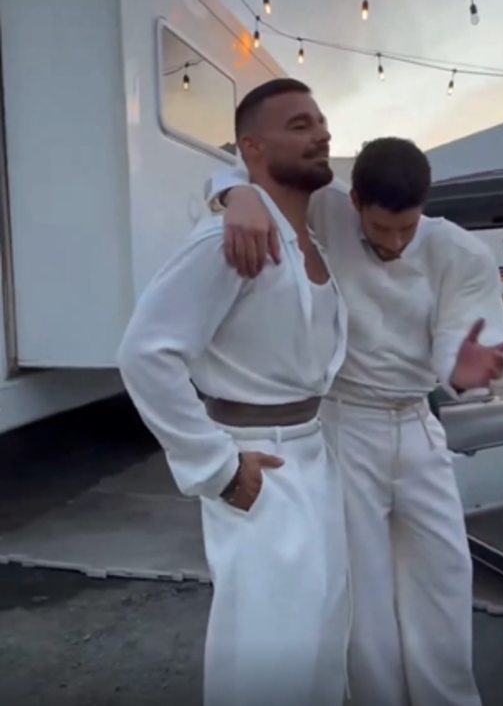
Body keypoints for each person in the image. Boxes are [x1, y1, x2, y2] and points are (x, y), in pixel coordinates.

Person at [205, 134, 503, 706]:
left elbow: (457, 343)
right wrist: (234, 195)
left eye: (408, 228)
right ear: (354, 204)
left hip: (417, 422)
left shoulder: (461, 253)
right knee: (362, 588)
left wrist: (465, 369)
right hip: (345, 421)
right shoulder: (325, 206)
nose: (395, 242)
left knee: (444, 575)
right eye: (381, 229)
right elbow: (243, 159)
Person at [117, 78, 351, 706]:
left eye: (321, 121)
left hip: (315, 455)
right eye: (299, 125)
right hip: (260, 462)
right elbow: (145, 353)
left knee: (323, 637)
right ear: (251, 146)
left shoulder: (316, 233)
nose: (322, 133)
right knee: (266, 654)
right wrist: (217, 468)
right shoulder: (232, 242)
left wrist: (234, 188)